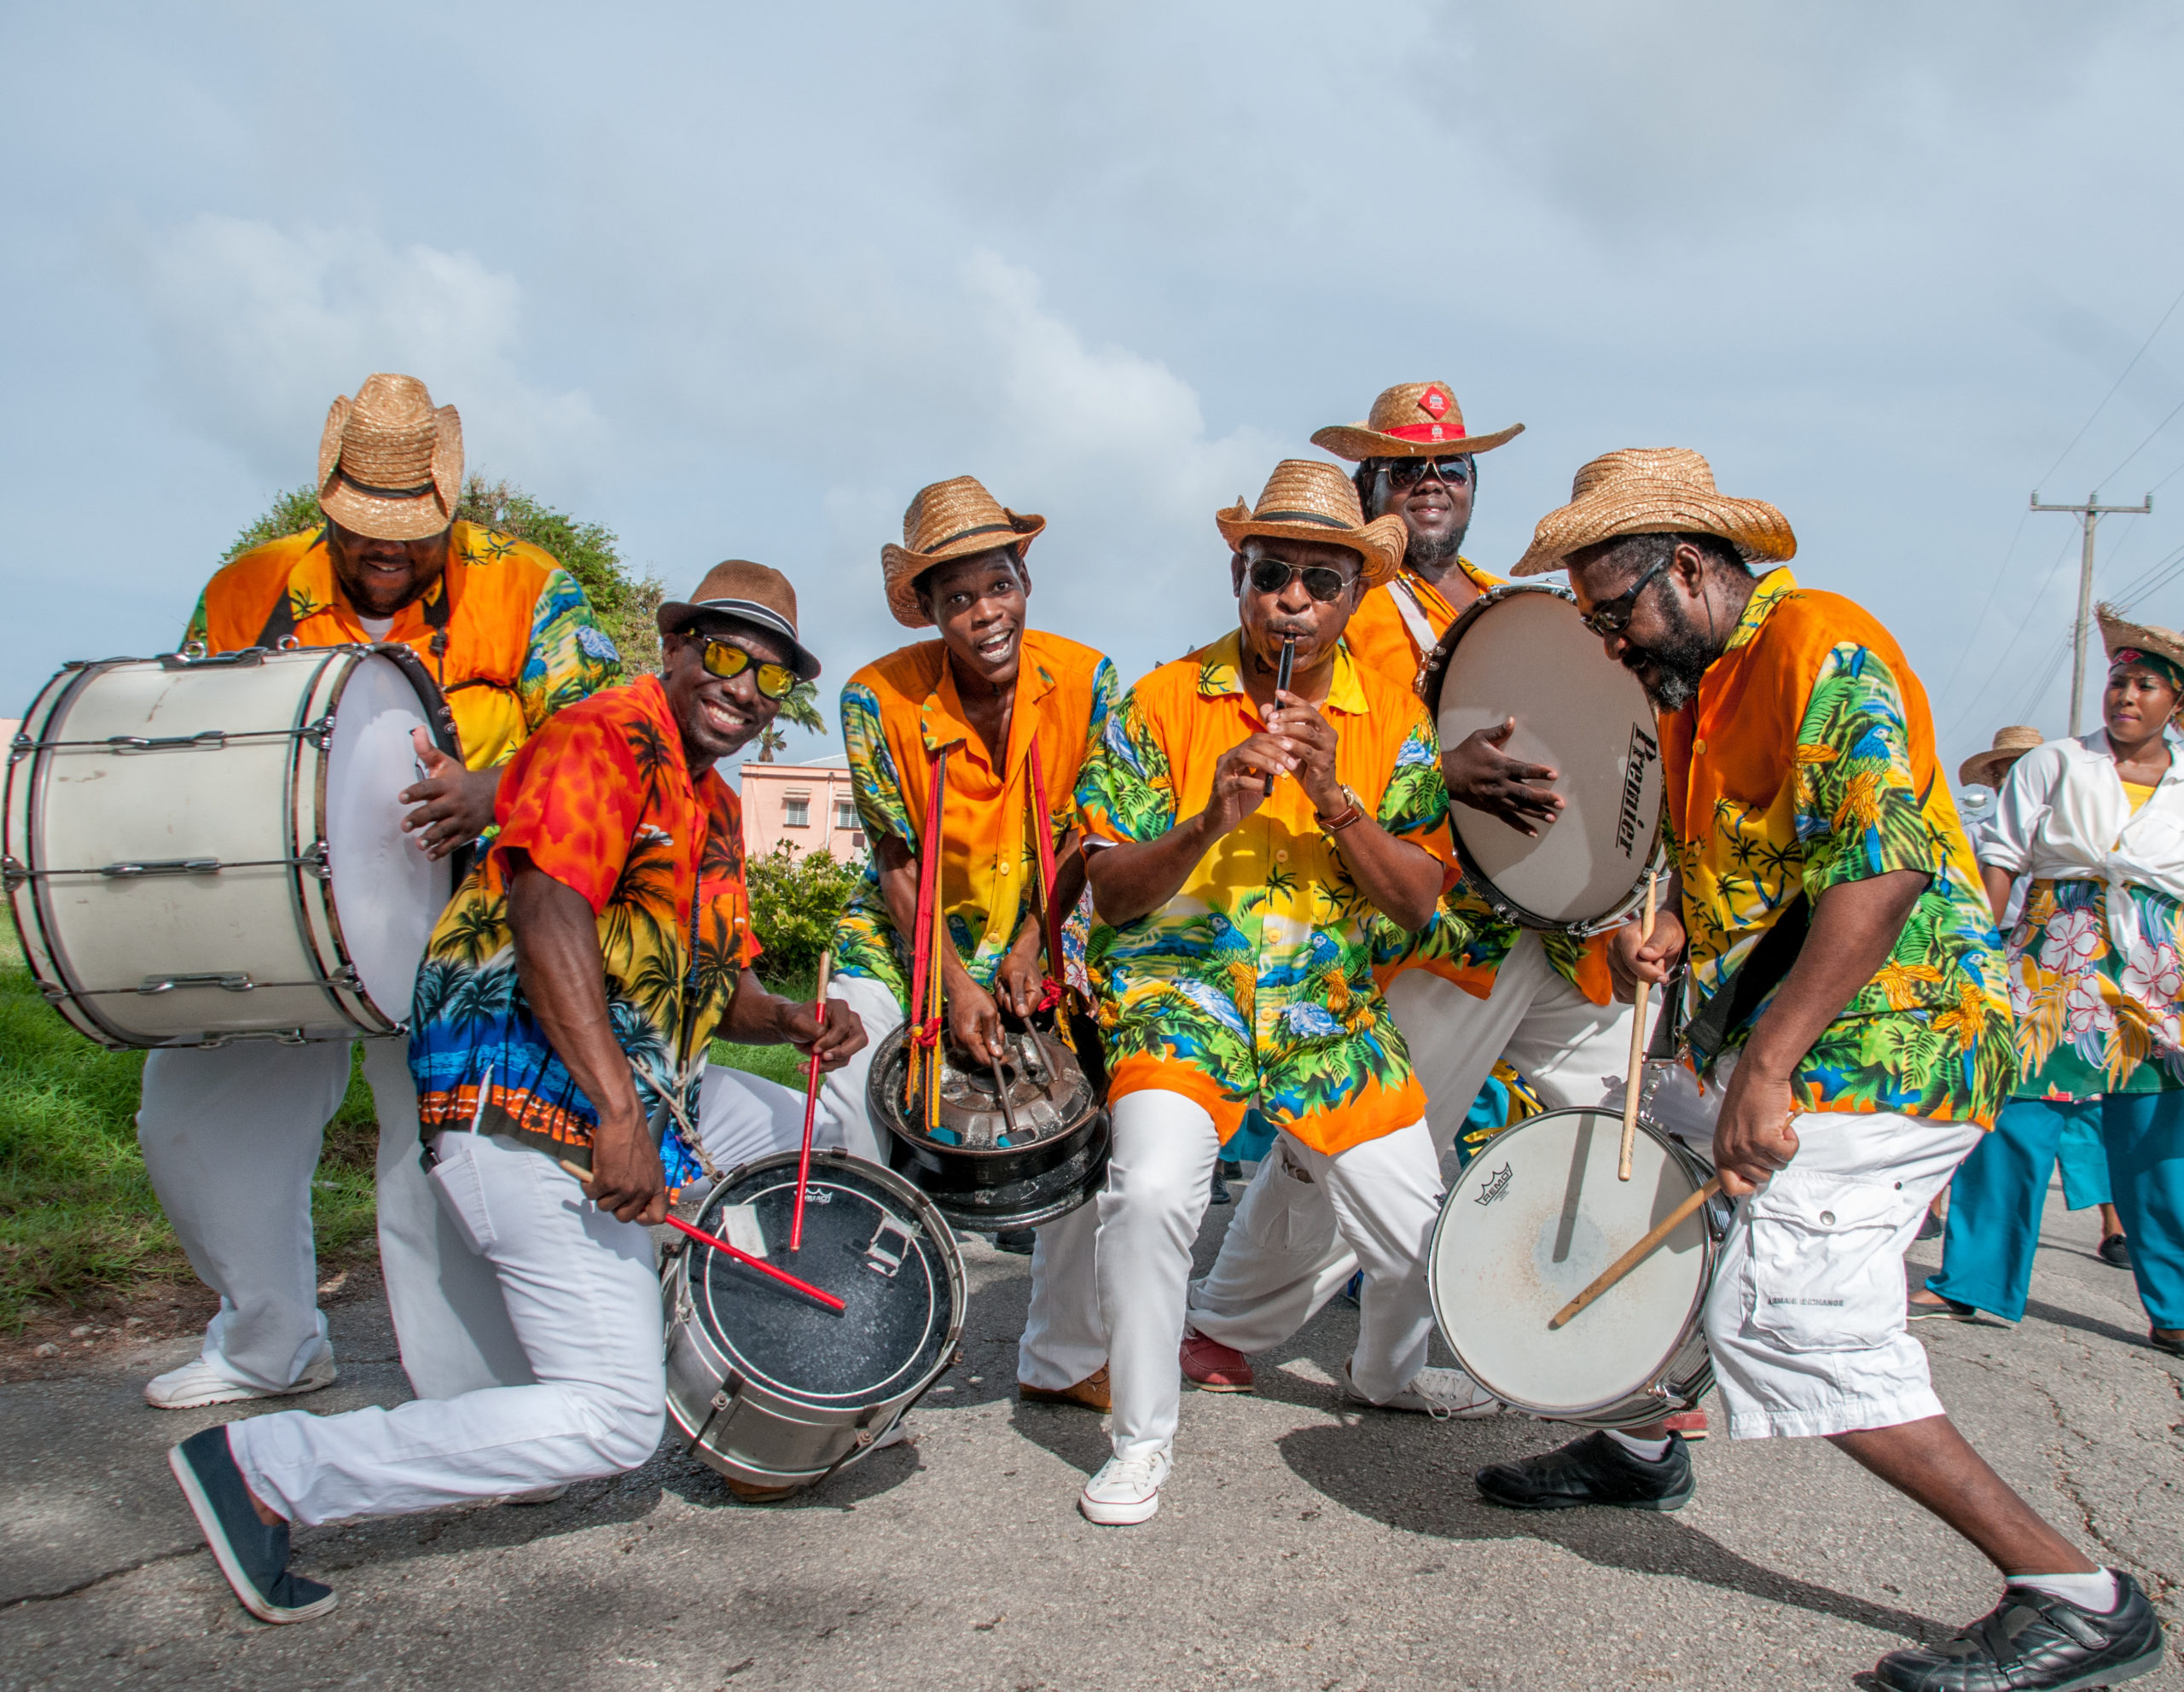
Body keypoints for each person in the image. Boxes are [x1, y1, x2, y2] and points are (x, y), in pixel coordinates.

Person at [1481, 448, 2162, 1692]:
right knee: (1636, 1175)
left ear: (1687, 566)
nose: (1608, 642)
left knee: (1789, 1316)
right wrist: (1674, 924)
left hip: (1901, 1035)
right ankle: (1641, 1444)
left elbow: (1881, 871)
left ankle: (2078, 1591)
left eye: (1614, 611)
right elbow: (1739, 861)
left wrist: (1770, 1067)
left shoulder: (1820, 645)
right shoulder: (1694, 686)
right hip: (1796, 1026)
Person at [168, 561, 866, 1625]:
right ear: (675, 649)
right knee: (606, 1424)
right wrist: (621, 1121)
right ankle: (268, 1469)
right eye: (723, 654)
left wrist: (792, 1021)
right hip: (522, 1102)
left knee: (809, 1127)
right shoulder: (603, 735)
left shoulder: (713, 805)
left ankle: (745, 1370)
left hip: (625, 1084)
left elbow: (706, 985)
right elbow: (548, 914)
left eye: (769, 676)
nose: (742, 685)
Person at [140, 374, 622, 1411]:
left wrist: (493, 790)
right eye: (365, 528)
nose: (386, 548)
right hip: (276, 919)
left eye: (410, 528)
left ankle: (474, 1400)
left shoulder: (532, 586)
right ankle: (267, 1341)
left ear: (447, 504)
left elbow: (614, 746)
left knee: (440, 1150)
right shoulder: (245, 590)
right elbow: (184, 744)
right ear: (326, 502)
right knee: (197, 1117)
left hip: (461, 917)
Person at [1182, 381, 1644, 1420]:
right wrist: (1448, 766)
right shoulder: (1349, 606)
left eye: (1451, 466)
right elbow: (1323, 723)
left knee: (1627, 1103)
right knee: (1355, 1142)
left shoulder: (1501, 604)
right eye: (1407, 467)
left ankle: (1645, 1325)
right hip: (1432, 926)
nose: (1433, 481)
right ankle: (1229, 1326)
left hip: (1550, 922)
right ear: (1371, 489)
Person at [1068, 459, 1488, 1528]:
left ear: (1353, 592)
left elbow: (1418, 906)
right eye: (1270, 575)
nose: (1292, 600)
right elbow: (1109, 896)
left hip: (1324, 1017)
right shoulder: (1159, 700)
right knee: (1156, 1189)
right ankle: (1140, 1438)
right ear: (1238, 575)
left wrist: (1338, 800)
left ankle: (1387, 1375)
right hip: (1181, 1002)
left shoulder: (1396, 716)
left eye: (1319, 579)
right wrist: (1210, 817)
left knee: (1413, 1230)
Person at [817, 477, 1121, 1411]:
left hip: (1037, 934)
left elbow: (1082, 834)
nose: (982, 613)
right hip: (906, 941)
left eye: (997, 586)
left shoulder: (1087, 679)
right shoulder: (876, 699)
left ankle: (1062, 1356)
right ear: (931, 609)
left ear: (1023, 578)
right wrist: (949, 985)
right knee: (849, 1105)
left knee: (1079, 1126)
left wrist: (1034, 941)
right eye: (956, 598)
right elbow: (894, 860)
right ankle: (857, 1351)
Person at [1914, 614, 2184, 1358]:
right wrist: (1972, 956)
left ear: (2175, 704)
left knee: (2156, 1134)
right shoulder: (2056, 764)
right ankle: (1973, 1282)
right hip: (2055, 950)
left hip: (2160, 963)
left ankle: (2175, 1308)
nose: (2126, 696)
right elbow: (1999, 857)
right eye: (2118, 682)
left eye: (2145, 685)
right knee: (2016, 1113)